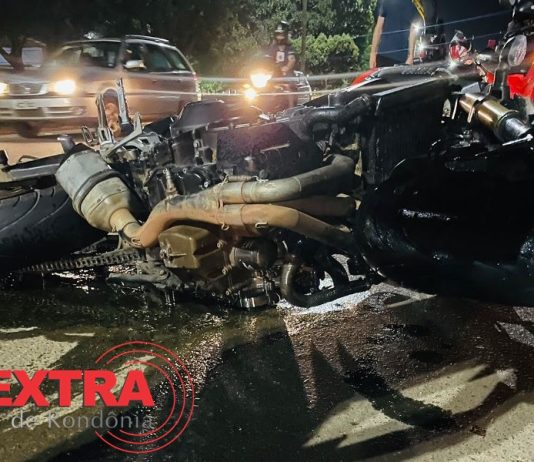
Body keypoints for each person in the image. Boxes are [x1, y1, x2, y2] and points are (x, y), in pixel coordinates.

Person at [369, 0, 428, 68]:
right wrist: (373, 54)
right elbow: (379, 27)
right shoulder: (386, 2)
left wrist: (411, 56)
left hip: (401, 58)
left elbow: (413, 32)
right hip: (383, 55)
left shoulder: (414, 4)